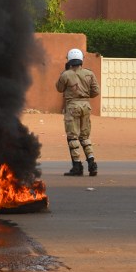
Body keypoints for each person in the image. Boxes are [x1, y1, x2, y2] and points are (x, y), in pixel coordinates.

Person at [56, 48, 100, 177]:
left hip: (72, 106)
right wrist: (85, 95)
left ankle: (77, 166)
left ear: (69, 60)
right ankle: (92, 164)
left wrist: (65, 71)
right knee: (85, 137)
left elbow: (59, 88)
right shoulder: (89, 74)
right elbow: (96, 91)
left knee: (73, 137)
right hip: (86, 105)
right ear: (81, 60)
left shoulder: (66, 74)